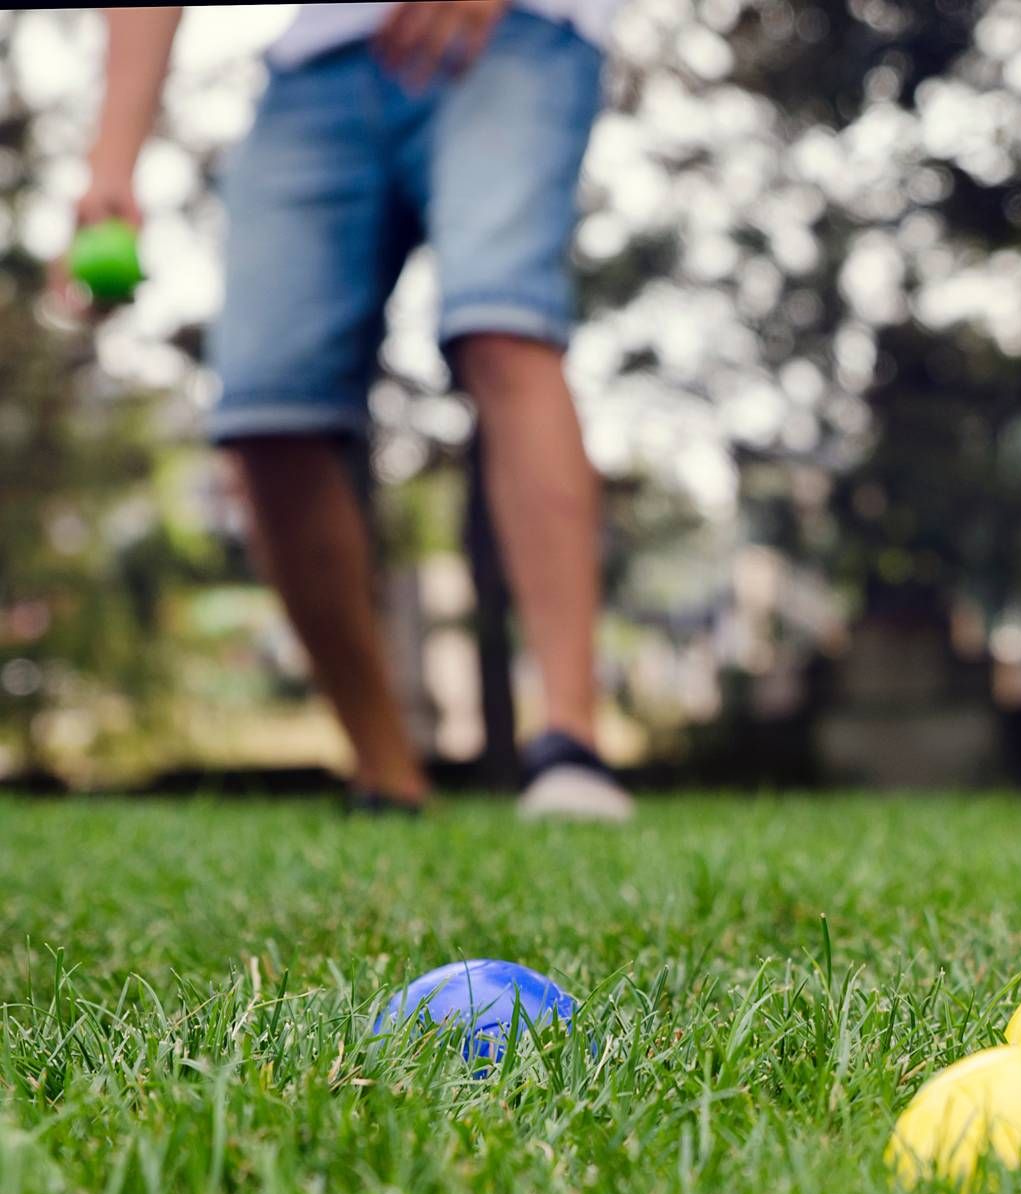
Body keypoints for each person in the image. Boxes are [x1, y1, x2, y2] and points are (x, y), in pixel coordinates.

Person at [64, 1, 634, 821]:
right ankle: (384, 773)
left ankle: (571, 750)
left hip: (513, 31)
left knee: (502, 325)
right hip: (312, 67)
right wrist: (110, 161)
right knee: (265, 410)